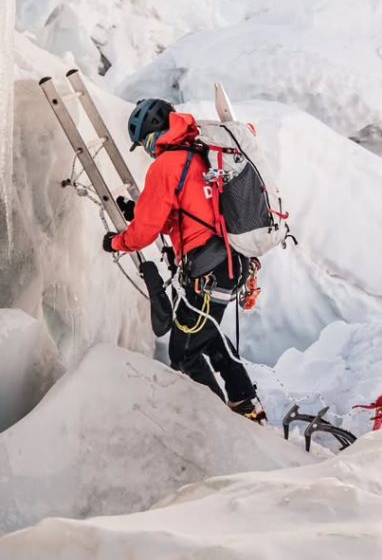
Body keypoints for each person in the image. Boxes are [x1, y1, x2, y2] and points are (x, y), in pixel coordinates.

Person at [102, 98, 266, 422]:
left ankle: (219, 421)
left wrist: (117, 242)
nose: (150, 150)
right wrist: (138, 212)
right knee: (203, 336)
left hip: (210, 270)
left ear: (156, 132)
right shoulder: (199, 153)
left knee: (183, 351)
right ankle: (245, 403)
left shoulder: (166, 165)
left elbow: (145, 232)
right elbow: (182, 213)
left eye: (148, 141)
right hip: (227, 263)